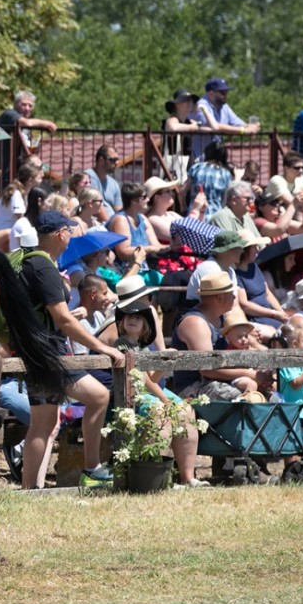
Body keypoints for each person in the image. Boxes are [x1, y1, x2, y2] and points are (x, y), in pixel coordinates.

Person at [17, 211, 125, 490]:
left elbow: (53, 315)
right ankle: (91, 468)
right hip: (49, 353)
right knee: (98, 396)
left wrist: (69, 315)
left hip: (39, 350)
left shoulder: (32, 264)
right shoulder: (44, 268)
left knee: (43, 421)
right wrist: (102, 347)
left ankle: (30, 488)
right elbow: (61, 320)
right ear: (59, 234)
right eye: (70, 231)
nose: (72, 237)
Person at [107, 286, 209, 488]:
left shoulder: (144, 348)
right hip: (130, 394)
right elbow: (142, 379)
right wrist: (164, 399)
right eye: (128, 316)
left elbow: (153, 377)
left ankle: (188, 478)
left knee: (185, 410)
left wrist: (165, 362)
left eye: (138, 316)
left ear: (146, 326)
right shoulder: (122, 343)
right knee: (160, 411)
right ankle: (159, 479)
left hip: (149, 392)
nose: (132, 319)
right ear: (121, 323)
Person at [171, 271, 261, 400]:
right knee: (242, 398)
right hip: (195, 387)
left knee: (271, 391)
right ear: (220, 298)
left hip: (219, 381)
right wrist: (250, 374)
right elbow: (208, 369)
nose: (235, 298)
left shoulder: (222, 319)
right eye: (231, 294)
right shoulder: (195, 322)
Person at [0, 89, 57, 184]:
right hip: (8, 171)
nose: (27, 108)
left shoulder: (26, 128)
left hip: (22, 172)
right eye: (24, 104)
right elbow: (27, 123)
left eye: (30, 106)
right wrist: (47, 124)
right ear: (15, 104)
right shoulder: (9, 114)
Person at [191, 77, 258, 159]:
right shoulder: (201, 106)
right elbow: (215, 126)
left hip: (216, 157)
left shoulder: (224, 106)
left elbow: (237, 123)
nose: (226, 95)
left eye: (226, 92)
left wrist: (251, 127)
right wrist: (244, 131)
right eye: (223, 92)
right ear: (211, 93)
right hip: (200, 158)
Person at [107, 181, 165, 267]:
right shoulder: (121, 220)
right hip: (125, 271)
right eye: (144, 197)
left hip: (143, 268)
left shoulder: (143, 218)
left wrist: (172, 247)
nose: (148, 199)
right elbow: (123, 252)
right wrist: (149, 249)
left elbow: (156, 245)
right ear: (133, 201)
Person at [186, 229, 246, 302]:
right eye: (238, 248)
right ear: (228, 251)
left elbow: (233, 306)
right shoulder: (210, 269)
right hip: (199, 312)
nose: (242, 251)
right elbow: (216, 305)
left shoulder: (230, 272)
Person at [186, 141, 235, 217]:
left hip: (195, 214)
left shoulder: (196, 168)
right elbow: (225, 200)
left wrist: (183, 207)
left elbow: (182, 191)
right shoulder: (225, 174)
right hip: (215, 216)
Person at [84, 144, 122, 219]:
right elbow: (96, 206)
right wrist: (110, 226)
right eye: (112, 160)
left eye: (117, 159)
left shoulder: (114, 184)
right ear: (101, 160)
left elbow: (118, 210)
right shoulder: (88, 177)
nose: (116, 163)